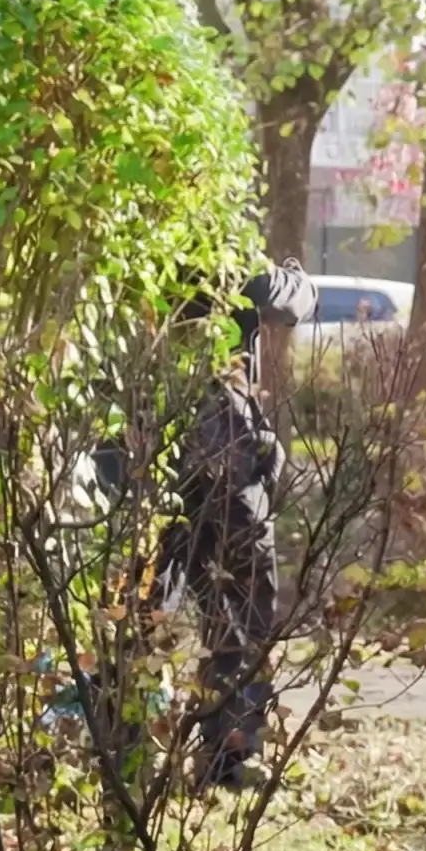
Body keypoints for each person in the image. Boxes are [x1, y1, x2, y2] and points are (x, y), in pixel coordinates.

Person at [159, 264, 304, 787]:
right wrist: (293, 276)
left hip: (147, 454)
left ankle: (129, 746)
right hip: (225, 452)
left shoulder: (136, 252)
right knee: (241, 610)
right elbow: (286, 297)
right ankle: (231, 751)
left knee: (149, 608)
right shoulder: (218, 257)